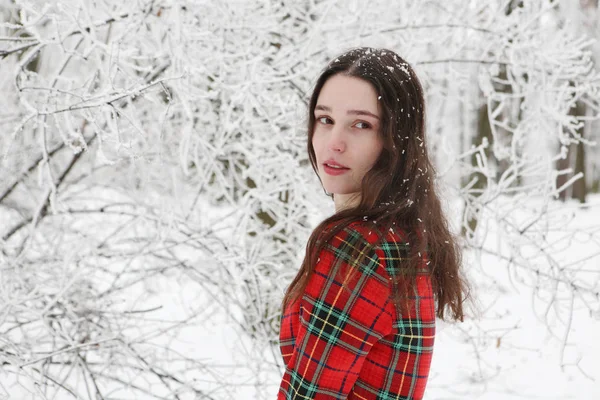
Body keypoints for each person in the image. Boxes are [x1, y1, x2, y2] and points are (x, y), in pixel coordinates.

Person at [277, 47, 469, 400]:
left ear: (396, 139)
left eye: (361, 124)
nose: (334, 143)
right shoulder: (403, 235)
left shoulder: (361, 247)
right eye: (325, 119)